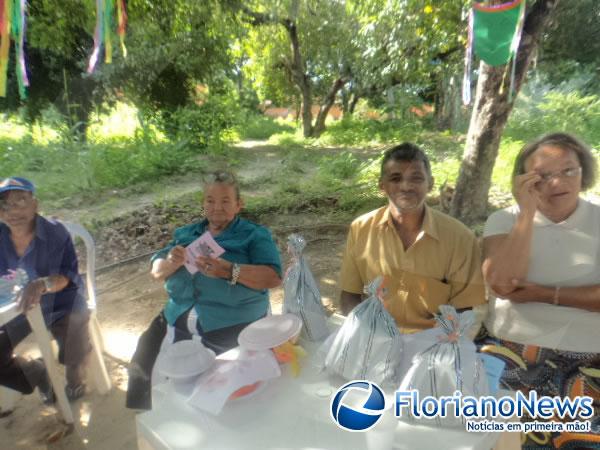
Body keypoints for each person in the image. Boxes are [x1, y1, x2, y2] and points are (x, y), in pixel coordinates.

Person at [480, 132, 600, 449]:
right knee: (501, 441)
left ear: (584, 173)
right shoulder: (503, 220)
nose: (556, 183)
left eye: (568, 171)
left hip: (589, 355)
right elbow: (503, 283)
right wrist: (526, 216)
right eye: (542, 175)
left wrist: (541, 293)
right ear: (525, 180)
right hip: (511, 351)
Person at [126, 170, 282, 410]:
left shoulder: (253, 235)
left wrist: (229, 270)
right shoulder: (186, 234)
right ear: (203, 204)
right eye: (210, 200)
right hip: (176, 315)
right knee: (144, 356)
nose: (217, 207)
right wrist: (171, 261)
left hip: (229, 322)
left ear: (239, 205)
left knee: (216, 386)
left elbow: (272, 277)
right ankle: (150, 416)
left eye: (225, 201)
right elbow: (156, 272)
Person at [339, 142, 486, 333]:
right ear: (382, 185)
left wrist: (437, 347)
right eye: (395, 178)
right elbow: (349, 295)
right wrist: (363, 334)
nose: (406, 186)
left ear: (430, 184)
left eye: (416, 178)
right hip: (374, 335)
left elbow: (464, 308)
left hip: (433, 340)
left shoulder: (460, 238)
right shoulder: (361, 228)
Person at [0, 177, 91, 405]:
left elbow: (69, 276)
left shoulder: (55, 232)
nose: (12, 211)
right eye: (4, 205)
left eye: (20, 201)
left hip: (61, 301)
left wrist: (41, 284)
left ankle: (74, 378)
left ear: (35, 204)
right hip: (18, 306)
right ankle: (37, 374)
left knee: (74, 328)